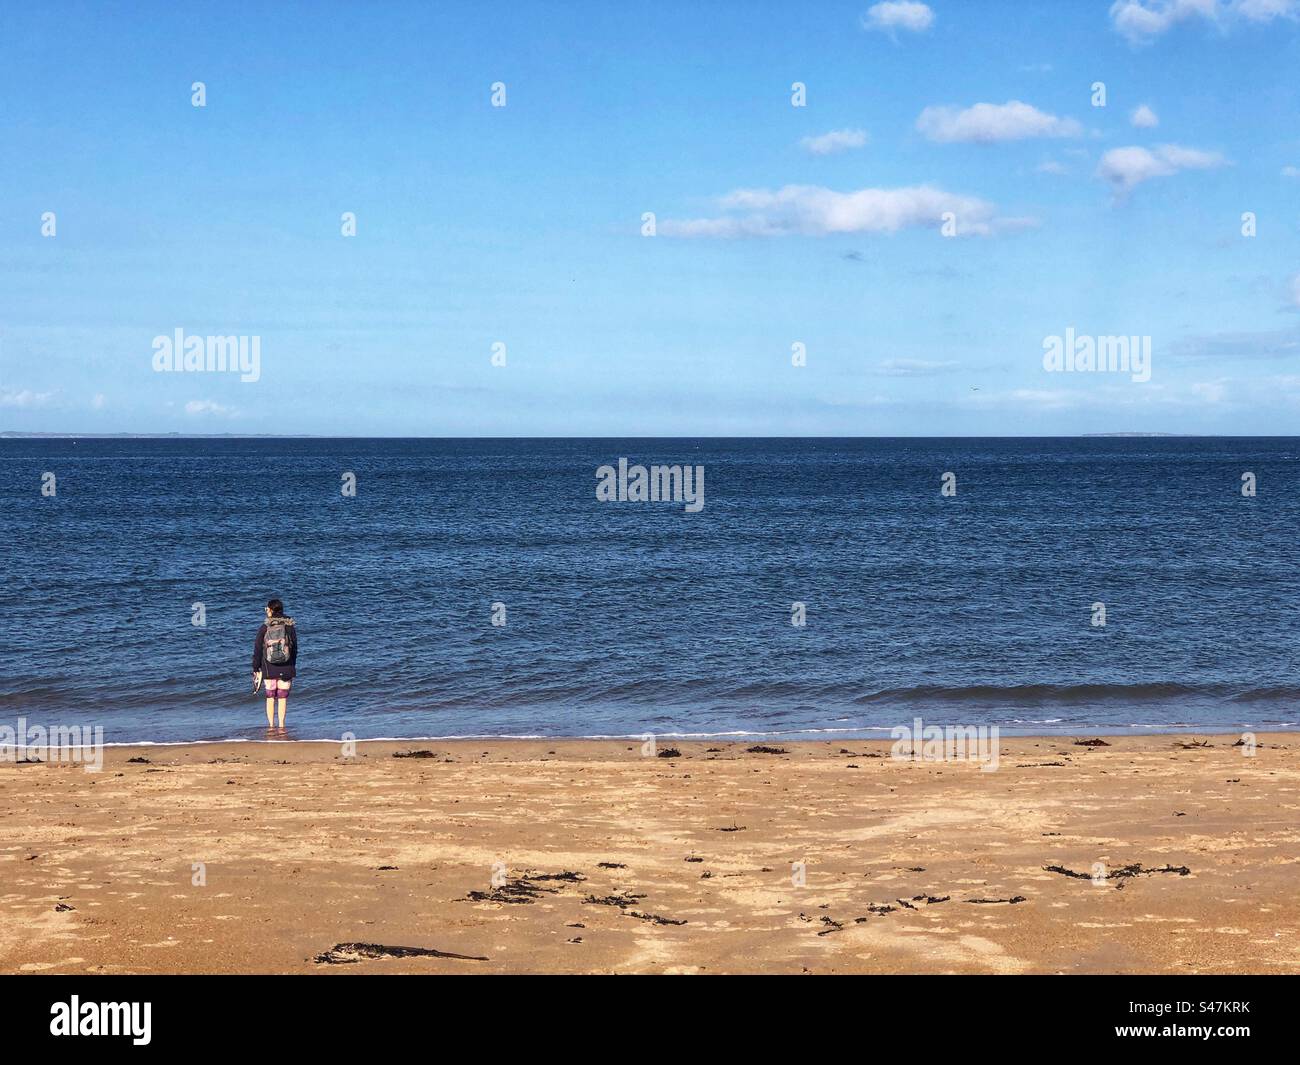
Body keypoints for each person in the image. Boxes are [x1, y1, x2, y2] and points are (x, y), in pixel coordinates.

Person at [252, 599, 298, 730]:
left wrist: (256, 667)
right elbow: (294, 647)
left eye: (266, 609)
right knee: (282, 697)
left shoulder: (264, 627)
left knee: (270, 697)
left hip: (268, 666)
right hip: (287, 665)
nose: (266, 611)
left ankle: (271, 726)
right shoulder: (289, 626)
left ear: (271, 610)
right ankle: (282, 726)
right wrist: (292, 665)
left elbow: (257, 649)